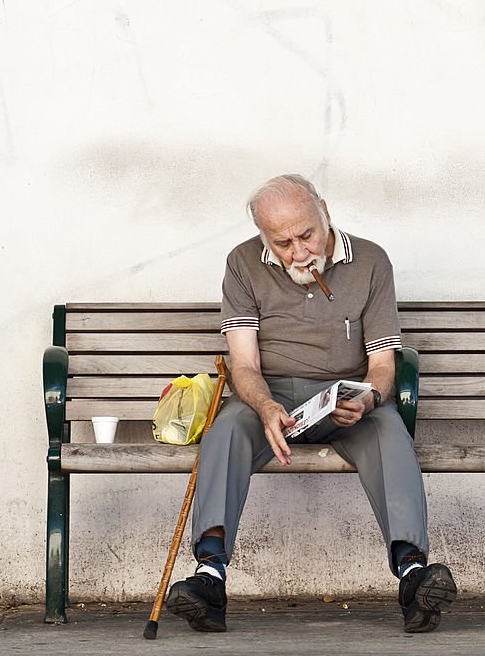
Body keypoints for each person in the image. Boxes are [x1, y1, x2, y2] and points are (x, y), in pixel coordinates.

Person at [166, 174, 457, 634]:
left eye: (306, 235)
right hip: (273, 396)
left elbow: (383, 364)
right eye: (282, 242)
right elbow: (243, 364)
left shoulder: (371, 260)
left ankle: (413, 574)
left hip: (347, 399)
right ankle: (210, 579)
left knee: (388, 430)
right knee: (226, 430)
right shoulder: (242, 262)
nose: (299, 252)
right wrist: (263, 405)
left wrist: (368, 398)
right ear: (264, 237)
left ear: (325, 211)